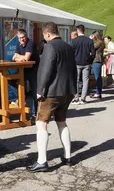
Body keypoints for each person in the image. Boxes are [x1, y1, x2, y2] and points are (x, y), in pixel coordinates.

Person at [27, 22, 77, 173]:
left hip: (52, 92)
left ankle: (42, 161)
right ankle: (68, 156)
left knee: (41, 124)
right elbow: (73, 69)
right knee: (62, 122)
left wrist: (39, 90)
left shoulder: (50, 46)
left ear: (48, 34)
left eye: (44, 36)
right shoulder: (68, 46)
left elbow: (45, 70)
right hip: (68, 91)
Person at [12, 29, 40, 121]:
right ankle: (21, 97)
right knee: (11, 81)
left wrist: (19, 57)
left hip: (34, 70)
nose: (22, 39)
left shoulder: (30, 43)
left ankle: (35, 114)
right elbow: (14, 57)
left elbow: (27, 58)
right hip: (24, 69)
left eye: (23, 37)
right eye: (20, 38)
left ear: (26, 36)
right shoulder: (18, 43)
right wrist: (21, 58)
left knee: (34, 92)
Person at [71, 25, 94, 104]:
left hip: (76, 63)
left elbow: (71, 53)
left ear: (77, 31)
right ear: (84, 30)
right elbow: (93, 53)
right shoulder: (89, 41)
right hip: (86, 63)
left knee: (76, 80)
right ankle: (83, 98)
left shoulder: (74, 41)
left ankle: (76, 97)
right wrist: (90, 61)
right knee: (85, 81)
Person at [90, 31, 105, 98]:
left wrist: (90, 40)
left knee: (97, 77)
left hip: (97, 60)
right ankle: (98, 92)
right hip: (99, 60)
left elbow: (92, 48)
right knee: (98, 76)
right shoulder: (101, 42)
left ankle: (98, 93)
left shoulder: (98, 42)